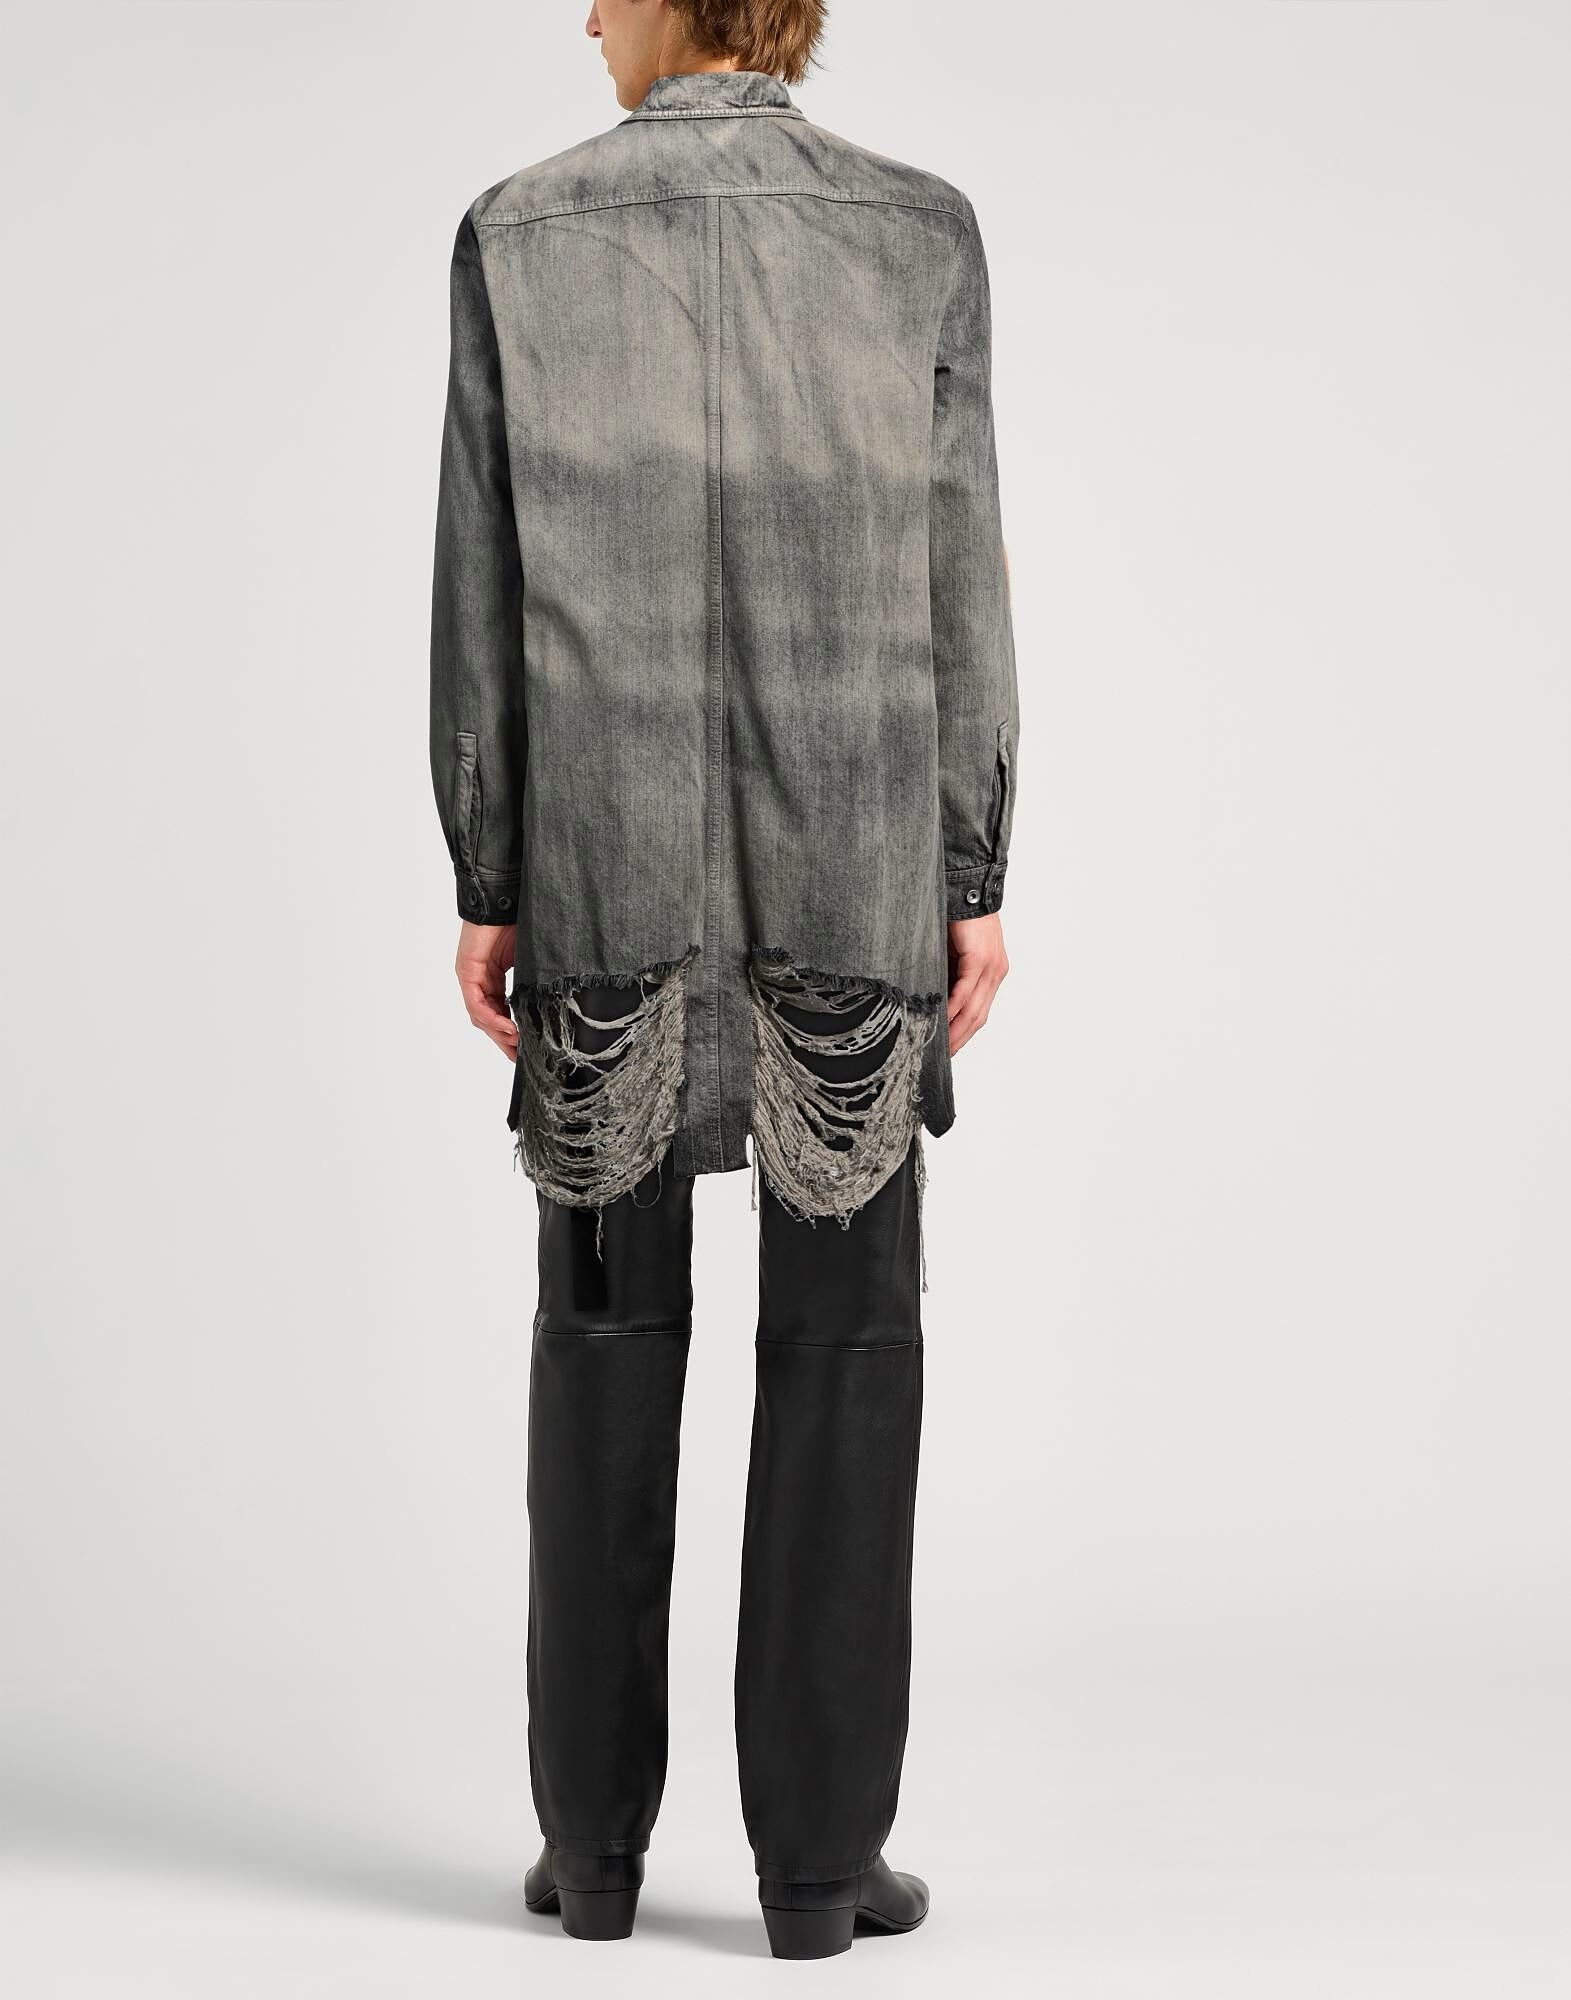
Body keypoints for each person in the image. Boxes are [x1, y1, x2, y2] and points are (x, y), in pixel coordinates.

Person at [429, 0, 1018, 1960]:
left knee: (601, 1328)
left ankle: (593, 1851)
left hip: (604, 861)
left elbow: (481, 588)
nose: (586, 14)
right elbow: (957, 577)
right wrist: (970, 872)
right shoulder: (917, 232)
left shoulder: (519, 230)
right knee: (848, 1340)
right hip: (854, 859)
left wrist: (491, 866)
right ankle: (818, 1871)